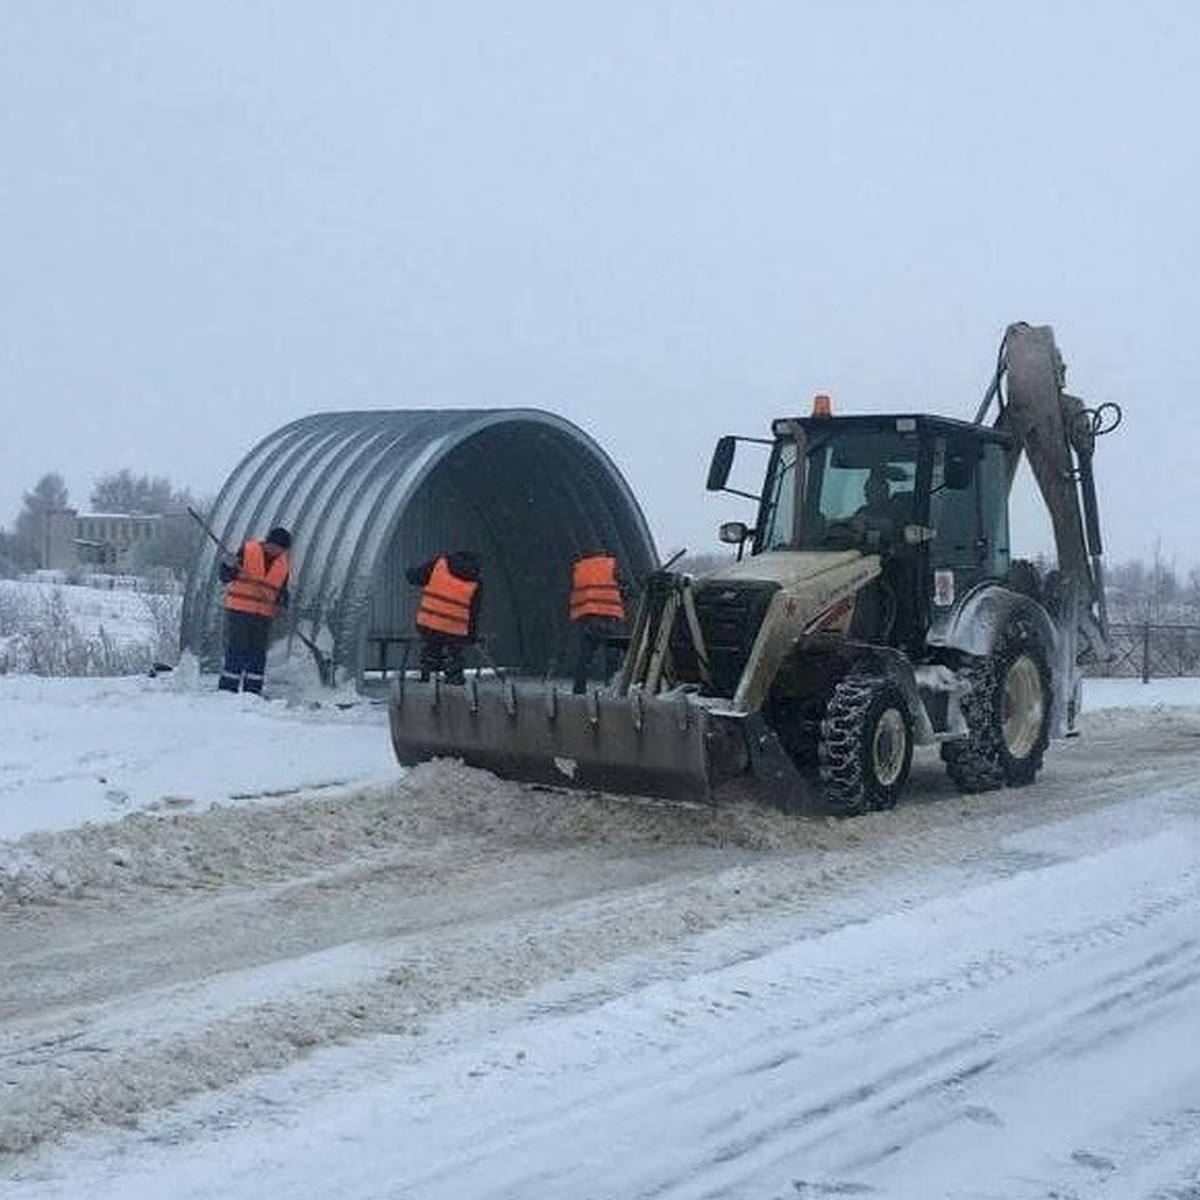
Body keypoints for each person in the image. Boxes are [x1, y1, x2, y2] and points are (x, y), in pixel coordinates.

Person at [218, 526, 292, 695]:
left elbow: (282, 590)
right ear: (269, 543)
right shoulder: (248, 551)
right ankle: (228, 691)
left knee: (257, 655)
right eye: (277, 548)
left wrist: (282, 602)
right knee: (237, 650)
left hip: (264, 616)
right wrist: (227, 565)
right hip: (240, 611)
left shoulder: (283, 564)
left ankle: (252, 692)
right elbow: (225, 576)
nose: (279, 552)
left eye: (282, 550)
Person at [407, 550, 482, 685]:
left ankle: (428, 677)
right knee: (454, 655)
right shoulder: (476, 581)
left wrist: (410, 572)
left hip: (428, 623)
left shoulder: (440, 563)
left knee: (431, 648)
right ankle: (454, 681)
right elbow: (473, 612)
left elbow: (416, 577)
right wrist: (471, 636)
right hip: (455, 629)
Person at [569, 548, 627, 695]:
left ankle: (578, 689)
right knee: (612, 656)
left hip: (588, 619)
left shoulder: (580, 567)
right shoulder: (611, 565)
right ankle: (611, 688)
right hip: (610, 618)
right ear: (603, 554)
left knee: (584, 657)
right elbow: (624, 585)